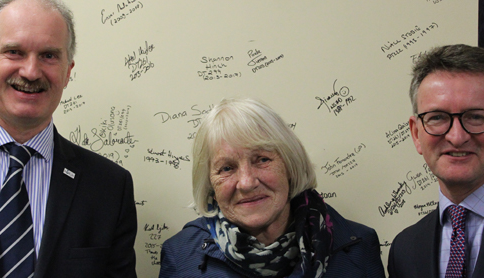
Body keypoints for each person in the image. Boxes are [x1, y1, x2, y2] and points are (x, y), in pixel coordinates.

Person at [0, 0, 138, 277]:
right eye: (14, 52)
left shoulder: (109, 188)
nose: (31, 72)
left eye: (48, 56)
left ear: (68, 72)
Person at [159, 98, 385, 277]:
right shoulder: (180, 258)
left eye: (262, 159)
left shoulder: (359, 247)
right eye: (227, 168)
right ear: (210, 183)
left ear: (290, 165)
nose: (247, 183)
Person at [388, 44, 484, 277]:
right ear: (416, 134)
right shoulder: (405, 250)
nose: (457, 137)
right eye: (437, 117)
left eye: (476, 116)